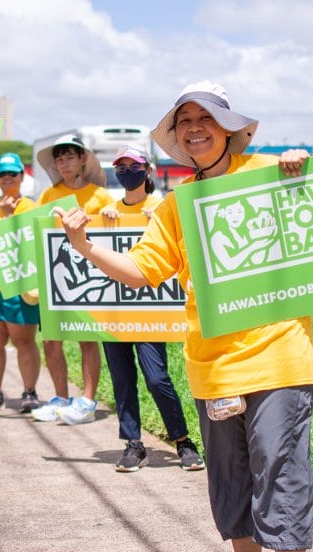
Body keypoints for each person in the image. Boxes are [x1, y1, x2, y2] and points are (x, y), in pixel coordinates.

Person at [55, 82, 313, 552]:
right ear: (177, 137)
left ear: (229, 128)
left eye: (206, 117)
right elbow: (143, 270)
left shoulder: (269, 172)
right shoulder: (178, 205)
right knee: (229, 476)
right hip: (211, 362)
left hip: (278, 352)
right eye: (184, 121)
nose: (195, 127)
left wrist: (301, 171)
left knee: (280, 463)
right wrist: (83, 246)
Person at [98, 144, 204, 473]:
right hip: (115, 311)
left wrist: (155, 221)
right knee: (122, 379)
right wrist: (104, 225)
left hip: (150, 312)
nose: (126, 171)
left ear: (148, 171)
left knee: (157, 377)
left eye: (133, 165)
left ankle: (183, 440)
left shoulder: (163, 207)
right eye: (121, 166)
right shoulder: (108, 212)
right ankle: (133, 444)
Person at [30, 134, 115, 426]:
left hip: (87, 277)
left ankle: (88, 401)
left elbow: (112, 224)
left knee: (86, 338)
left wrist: (109, 213)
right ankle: (60, 398)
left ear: (83, 159)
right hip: (55, 277)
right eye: (59, 158)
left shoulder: (100, 195)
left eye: (69, 157)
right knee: (51, 339)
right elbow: (33, 230)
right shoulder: (48, 196)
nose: (63, 163)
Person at [0, 153, 42, 413]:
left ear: (22, 177)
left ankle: (30, 392)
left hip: (19, 283)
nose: (7, 178)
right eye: (2, 174)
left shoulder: (31, 208)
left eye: (12, 173)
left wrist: (9, 216)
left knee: (23, 340)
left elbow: (32, 245)